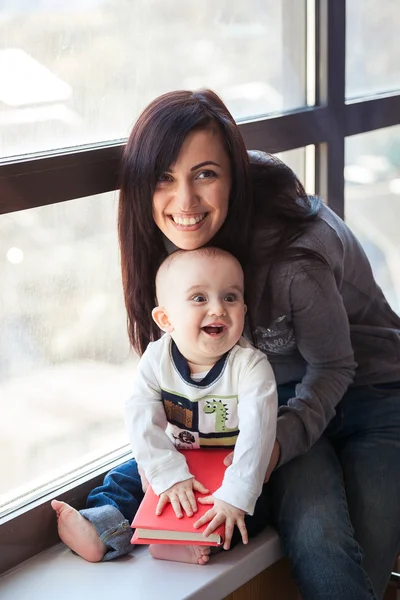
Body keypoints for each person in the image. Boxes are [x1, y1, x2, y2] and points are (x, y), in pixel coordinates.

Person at [52, 89, 400, 600]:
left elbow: (333, 367)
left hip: (372, 392)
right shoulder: (176, 252)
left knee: (354, 566)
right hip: (278, 400)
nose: (185, 202)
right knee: (315, 528)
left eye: (205, 174)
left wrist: (269, 448)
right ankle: (108, 518)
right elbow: (173, 392)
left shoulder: (293, 256)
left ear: (234, 175)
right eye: (163, 178)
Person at [125, 246, 277, 564]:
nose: (219, 309)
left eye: (230, 297)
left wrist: (235, 494)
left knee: (253, 509)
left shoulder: (250, 366)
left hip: (228, 467)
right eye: (199, 298)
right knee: (122, 480)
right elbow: (141, 421)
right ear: (166, 319)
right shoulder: (156, 360)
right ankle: (102, 527)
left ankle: (195, 543)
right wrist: (168, 474)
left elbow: (258, 435)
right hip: (175, 457)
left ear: (244, 310)